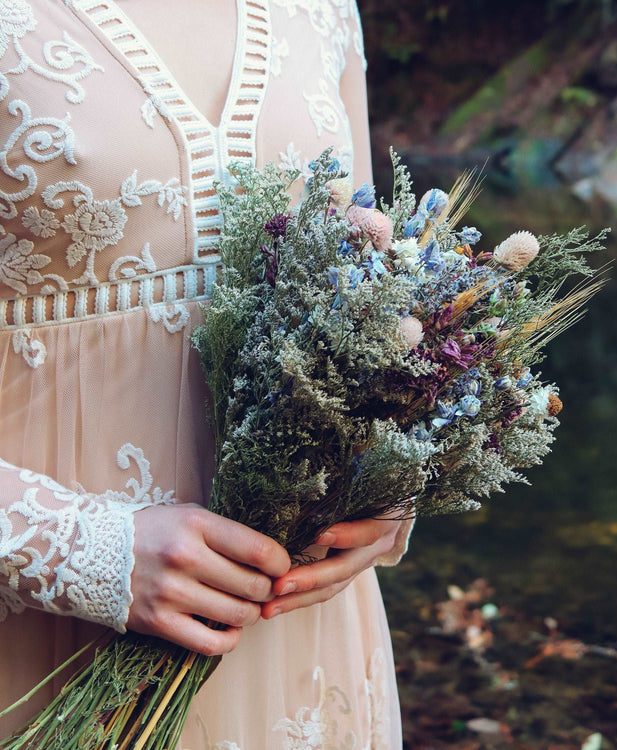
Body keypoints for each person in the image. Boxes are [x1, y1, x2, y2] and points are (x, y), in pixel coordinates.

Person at [0, 1, 413, 747]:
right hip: (39, 636)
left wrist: (389, 478)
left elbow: (368, 286)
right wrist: (79, 551)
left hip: (293, 631)